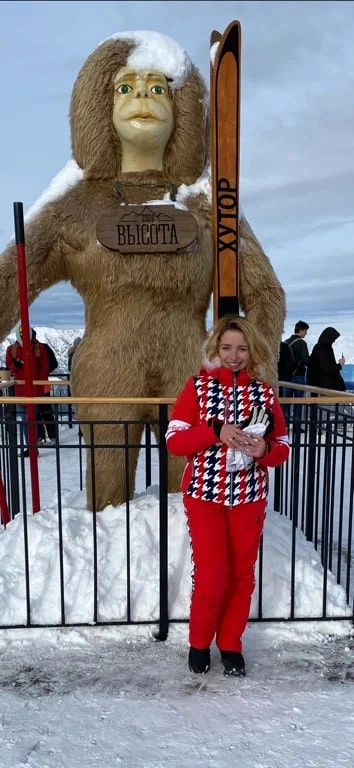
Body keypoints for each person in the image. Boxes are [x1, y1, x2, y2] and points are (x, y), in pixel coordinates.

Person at [166, 315, 289, 677]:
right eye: (226, 348)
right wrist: (214, 430)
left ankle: (231, 644)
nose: (234, 356)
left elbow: (282, 446)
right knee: (212, 575)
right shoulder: (197, 387)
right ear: (215, 349)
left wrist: (264, 450)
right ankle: (199, 642)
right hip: (205, 496)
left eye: (242, 349)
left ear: (252, 351)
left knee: (241, 575)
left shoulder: (264, 393)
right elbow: (175, 441)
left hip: (249, 498)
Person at [5, 325, 50, 456]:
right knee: (27, 421)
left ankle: (31, 447)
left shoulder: (38, 348)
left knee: (29, 421)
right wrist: (16, 365)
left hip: (31, 391)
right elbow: (9, 368)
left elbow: (45, 367)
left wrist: (38, 383)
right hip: (22, 391)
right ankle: (31, 447)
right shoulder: (12, 349)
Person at [283, 321, 310, 422]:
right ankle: (297, 425)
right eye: (305, 331)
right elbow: (306, 360)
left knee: (286, 402)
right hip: (299, 375)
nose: (306, 333)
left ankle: (285, 423)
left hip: (286, 377)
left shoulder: (286, 342)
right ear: (301, 330)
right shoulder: (302, 343)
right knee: (298, 402)